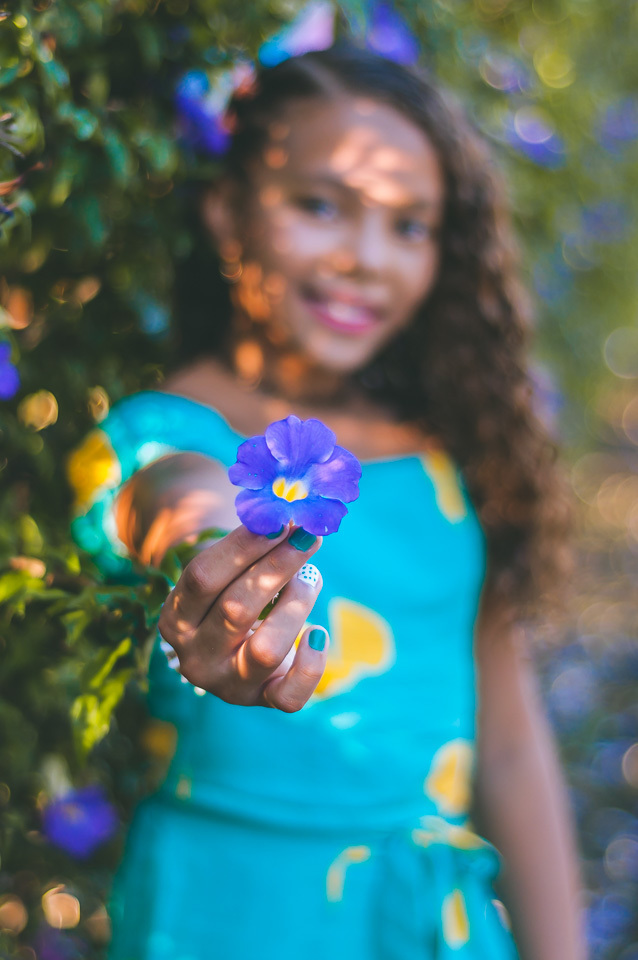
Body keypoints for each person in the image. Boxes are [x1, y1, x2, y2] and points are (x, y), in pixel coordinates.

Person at [66, 42, 586, 960]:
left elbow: (509, 741)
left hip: (433, 919)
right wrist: (214, 564)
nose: (365, 259)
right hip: (230, 915)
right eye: (319, 205)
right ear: (227, 212)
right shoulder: (160, 428)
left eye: (410, 226)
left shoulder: (449, 452)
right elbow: (169, 492)